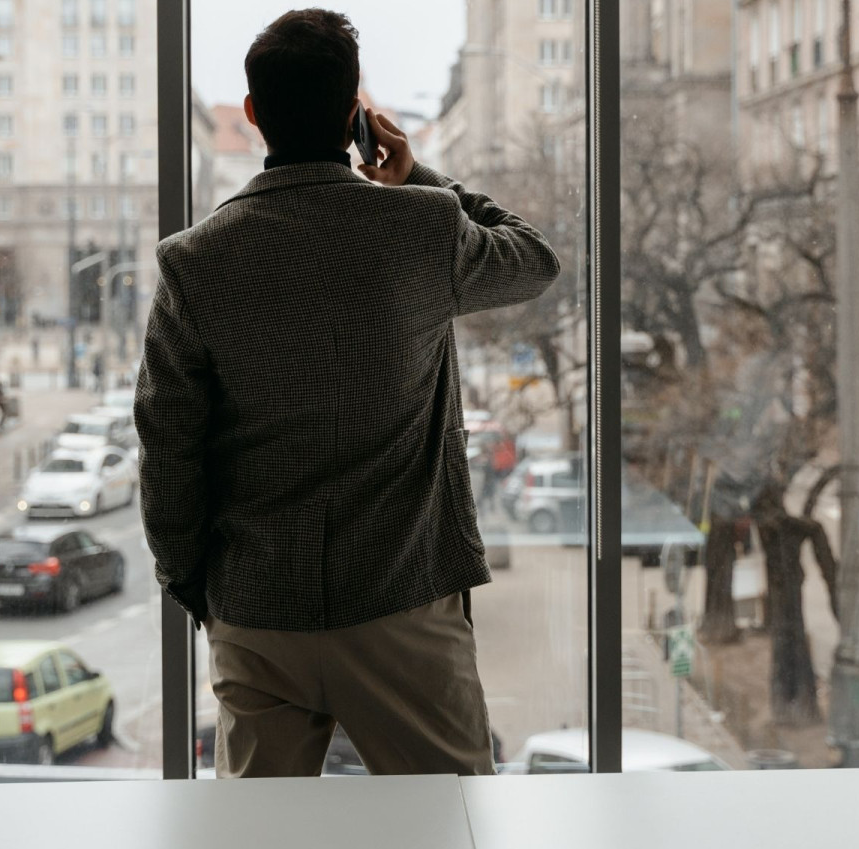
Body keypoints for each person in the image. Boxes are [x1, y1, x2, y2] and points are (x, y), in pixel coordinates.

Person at [135, 9, 559, 780]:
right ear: (354, 116)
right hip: (404, 603)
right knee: (452, 822)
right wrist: (424, 178)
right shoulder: (423, 228)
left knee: (261, 839)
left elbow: (166, 444)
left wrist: (193, 585)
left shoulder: (193, 263)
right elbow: (534, 259)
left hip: (258, 610)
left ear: (256, 113)